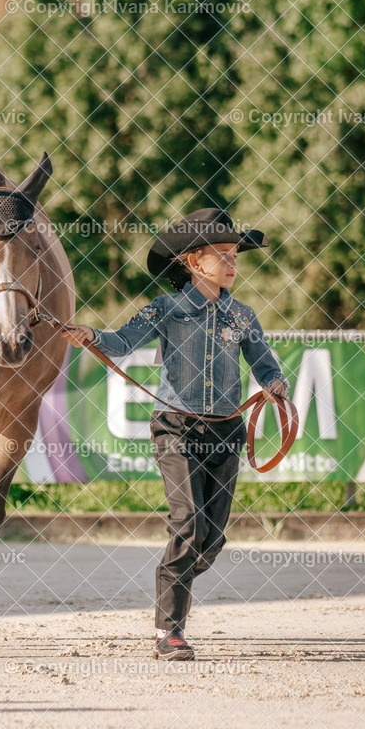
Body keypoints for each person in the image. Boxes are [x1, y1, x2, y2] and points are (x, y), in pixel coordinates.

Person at [60, 208, 290, 661]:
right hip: (176, 428)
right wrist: (90, 334)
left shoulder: (243, 316)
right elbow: (122, 341)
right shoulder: (164, 309)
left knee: (212, 539)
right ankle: (170, 631)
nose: (232, 263)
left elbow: (265, 364)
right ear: (193, 261)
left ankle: (176, 577)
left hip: (227, 430)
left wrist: (274, 383)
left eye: (235, 255)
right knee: (189, 525)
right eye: (221, 254)